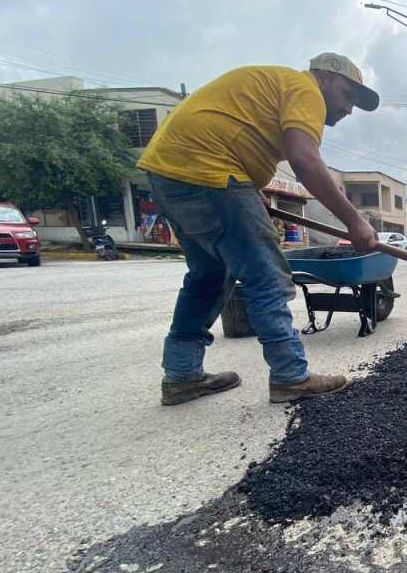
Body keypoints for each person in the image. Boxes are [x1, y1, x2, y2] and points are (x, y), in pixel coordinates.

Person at [137, 53, 380, 405]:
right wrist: (355, 222)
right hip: (209, 168)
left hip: (168, 171)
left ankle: (181, 375)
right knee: (266, 274)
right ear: (324, 78)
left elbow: (245, 134)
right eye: (347, 94)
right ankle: (290, 376)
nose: (348, 109)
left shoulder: (279, 86)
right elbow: (305, 161)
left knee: (208, 275)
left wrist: (248, 192)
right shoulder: (306, 89)